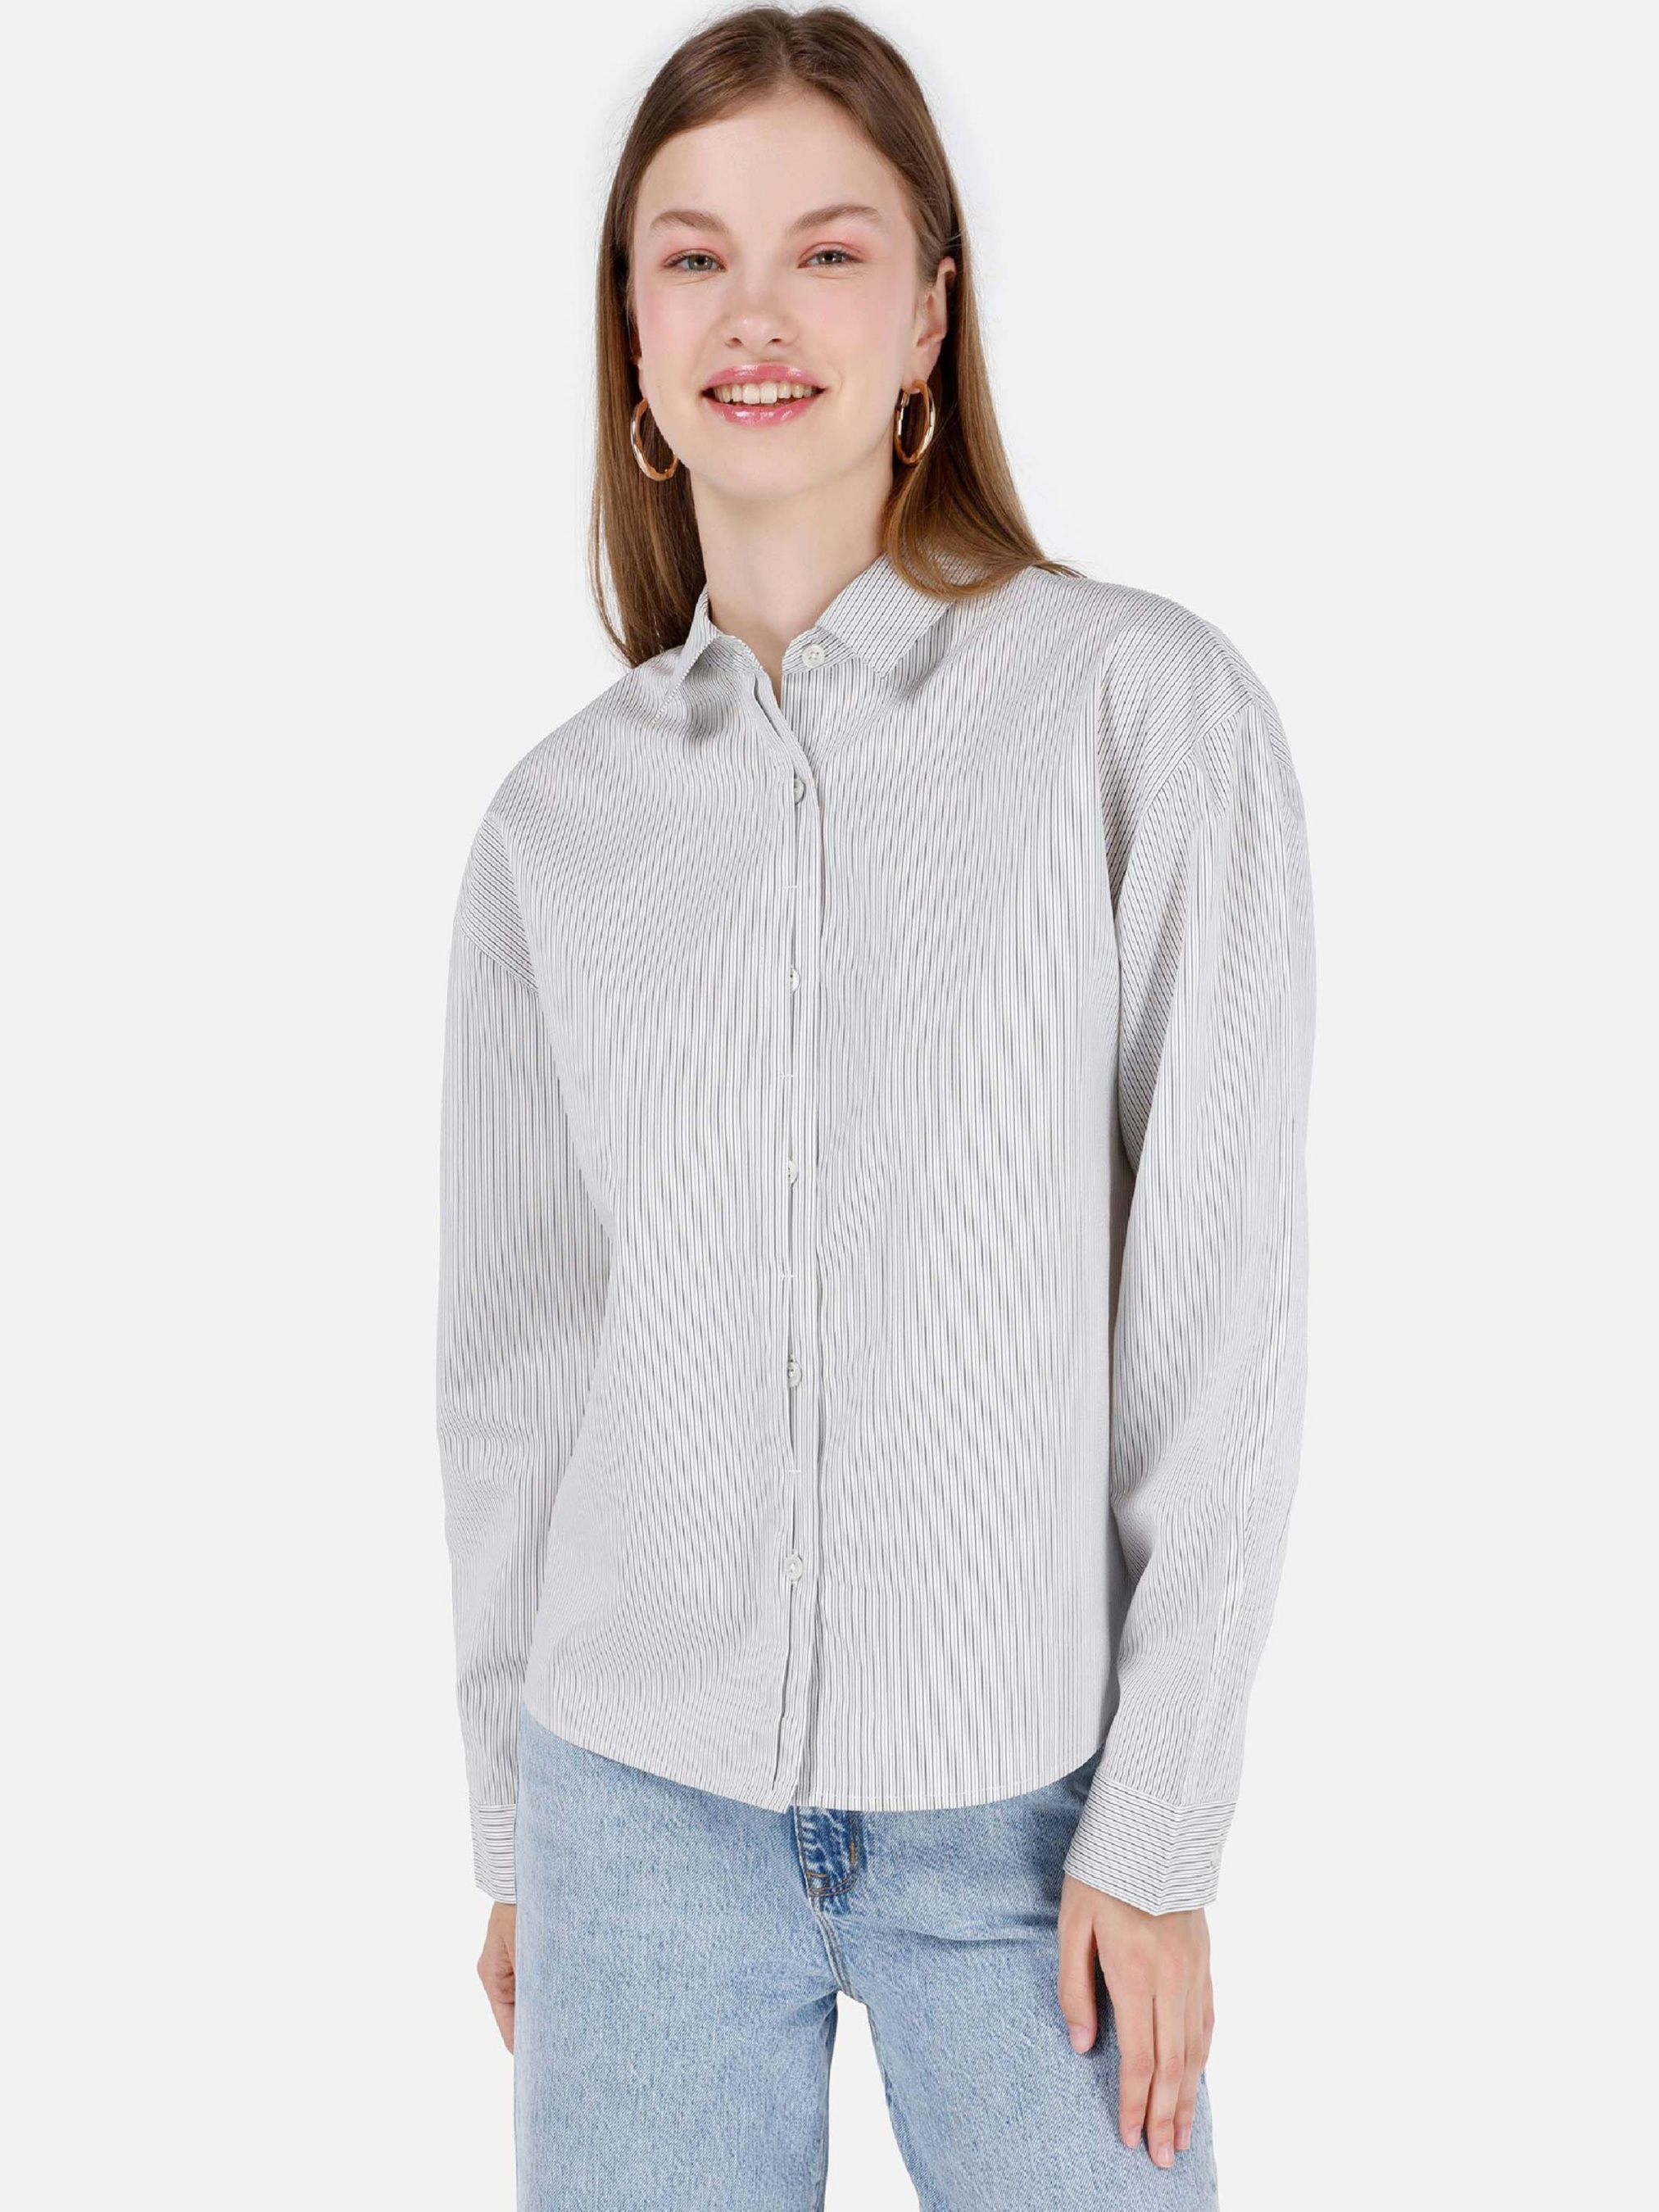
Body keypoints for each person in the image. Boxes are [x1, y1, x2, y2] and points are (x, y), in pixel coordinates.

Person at [435, 8, 1315, 2206]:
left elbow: (1217, 1313)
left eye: (827, 253)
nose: (756, 316)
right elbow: (517, 1369)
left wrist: (1159, 1830)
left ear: (930, 316)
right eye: (692, 258)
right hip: (630, 1810)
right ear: (630, 335)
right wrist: (520, 1835)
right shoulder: (555, 829)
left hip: (1026, 1823)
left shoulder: (1139, 713)